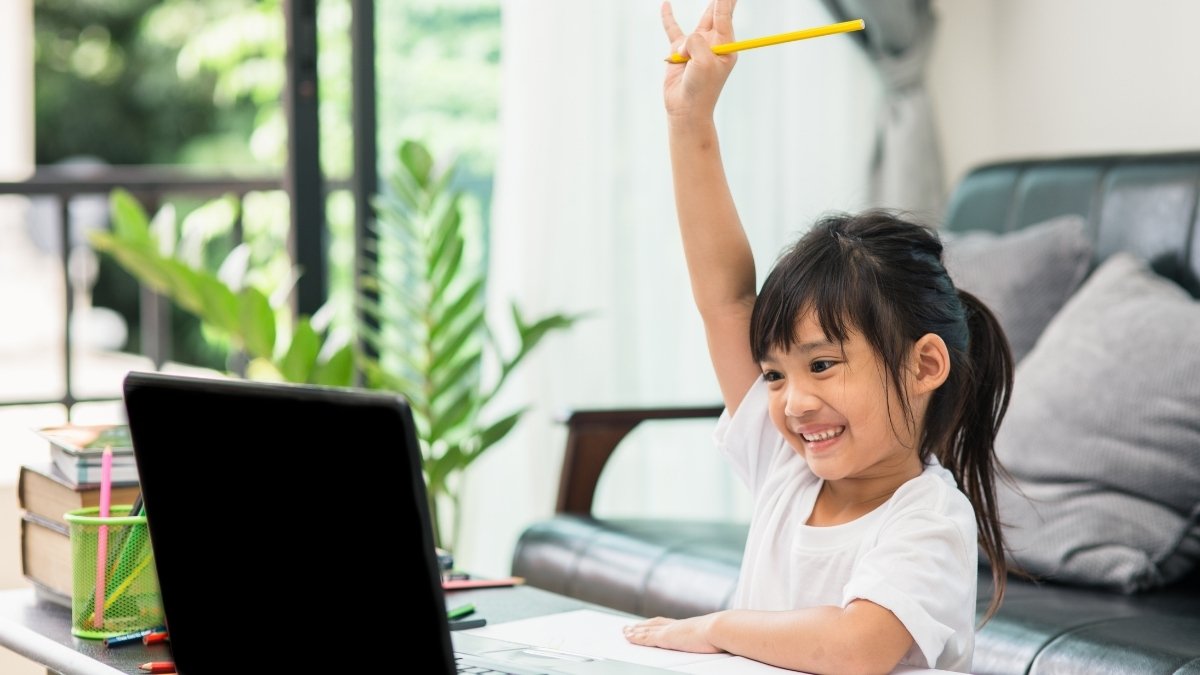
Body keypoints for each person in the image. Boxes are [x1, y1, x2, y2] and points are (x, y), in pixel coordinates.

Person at [621, 1, 1015, 672]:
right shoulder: (787, 467)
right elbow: (726, 301)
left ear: (924, 365)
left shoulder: (929, 520)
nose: (793, 401)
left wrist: (718, 626)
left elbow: (856, 647)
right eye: (775, 374)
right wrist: (690, 120)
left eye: (823, 364)